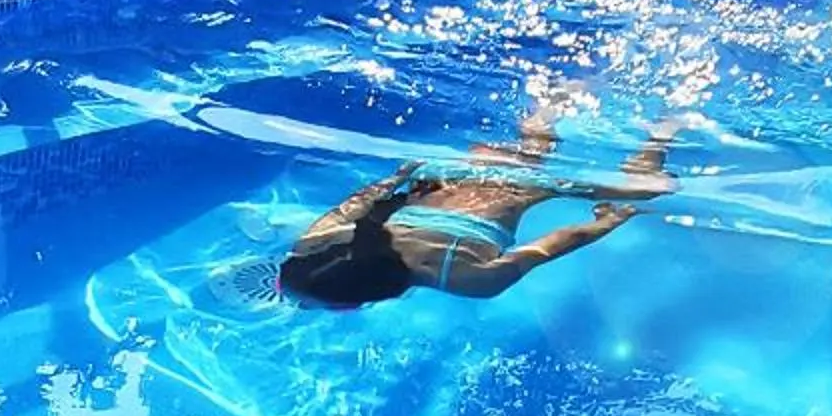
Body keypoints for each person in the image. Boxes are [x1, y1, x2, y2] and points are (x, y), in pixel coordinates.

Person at [274, 91, 686, 308]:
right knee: (534, 138)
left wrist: (606, 223)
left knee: (646, 188)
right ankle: (560, 97)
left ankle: (664, 129)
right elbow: (356, 204)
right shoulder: (317, 241)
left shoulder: (468, 280)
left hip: (520, 187)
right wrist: (397, 176)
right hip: (447, 178)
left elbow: (550, 246)